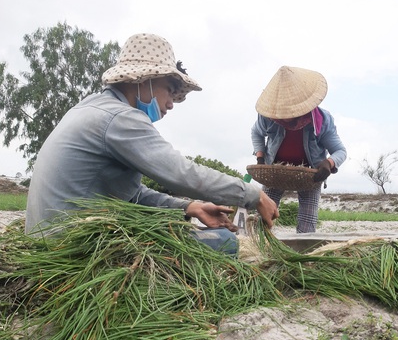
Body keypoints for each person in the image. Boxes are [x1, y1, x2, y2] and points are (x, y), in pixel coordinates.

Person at [26, 33, 278, 255]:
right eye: (169, 90)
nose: (170, 103)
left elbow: (130, 194)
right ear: (142, 79)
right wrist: (253, 195)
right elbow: (180, 172)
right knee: (225, 242)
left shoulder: (90, 108)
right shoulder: (120, 118)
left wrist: (189, 206)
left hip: (49, 239)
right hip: (72, 246)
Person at [251, 66, 347, 233]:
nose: (284, 117)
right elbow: (256, 133)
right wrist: (260, 156)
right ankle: (261, 246)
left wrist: (328, 163)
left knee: (307, 224)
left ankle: (304, 252)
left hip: (310, 175)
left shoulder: (322, 120)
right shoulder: (269, 117)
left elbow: (340, 151)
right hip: (275, 170)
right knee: (264, 214)